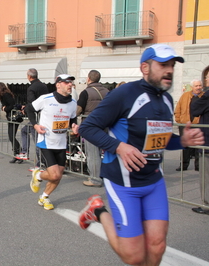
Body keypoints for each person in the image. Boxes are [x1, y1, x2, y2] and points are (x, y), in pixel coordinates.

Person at [76, 44, 204, 266]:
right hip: (123, 182)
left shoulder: (166, 100)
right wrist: (118, 147)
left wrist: (181, 141)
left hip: (153, 181)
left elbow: (159, 140)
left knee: (157, 247)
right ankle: (98, 211)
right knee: (134, 256)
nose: (170, 70)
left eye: (172, 65)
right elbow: (88, 128)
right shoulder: (124, 94)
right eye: (163, 65)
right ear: (145, 67)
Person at [27, 74, 77, 210]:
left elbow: (73, 118)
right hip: (46, 142)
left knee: (58, 176)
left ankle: (44, 197)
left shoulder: (73, 103)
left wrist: (74, 125)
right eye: (67, 82)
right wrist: (35, 125)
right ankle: (38, 175)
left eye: (71, 82)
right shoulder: (46, 99)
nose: (70, 85)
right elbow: (29, 109)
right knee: (54, 174)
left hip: (61, 143)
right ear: (58, 84)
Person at [77, 70, 109, 187]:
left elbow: (79, 110)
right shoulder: (107, 91)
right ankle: (103, 175)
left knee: (93, 153)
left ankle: (95, 179)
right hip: (105, 125)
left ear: (88, 79)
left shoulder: (86, 92)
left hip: (91, 126)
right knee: (103, 152)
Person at [15, 68, 49, 167]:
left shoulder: (31, 88)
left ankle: (41, 163)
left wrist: (25, 110)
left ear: (29, 76)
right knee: (24, 130)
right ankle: (25, 152)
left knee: (37, 140)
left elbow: (32, 104)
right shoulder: (44, 86)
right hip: (44, 114)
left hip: (36, 117)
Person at [174, 79, 203, 171]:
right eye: (196, 86)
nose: (198, 88)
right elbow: (178, 108)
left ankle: (198, 165)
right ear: (191, 87)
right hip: (184, 124)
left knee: (197, 146)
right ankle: (184, 165)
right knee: (185, 145)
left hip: (198, 124)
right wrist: (179, 120)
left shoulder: (204, 96)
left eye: (200, 86)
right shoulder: (185, 95)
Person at [190, 84, 209, 215]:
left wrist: (198, 96)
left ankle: (207, 204)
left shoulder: (206, 95)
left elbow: (195, 109)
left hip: (207, 143)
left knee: (206, 175)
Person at [0, 82, 22, 161]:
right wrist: (3, 107)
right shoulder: (4, 95)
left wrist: (4, 109)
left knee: (12, 136)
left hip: (14, 118)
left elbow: (12, 105)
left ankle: (20, 153)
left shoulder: (6, 95)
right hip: (11, 118)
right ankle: (16, 155)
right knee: (11, 136)